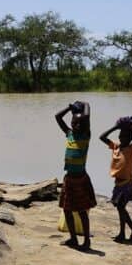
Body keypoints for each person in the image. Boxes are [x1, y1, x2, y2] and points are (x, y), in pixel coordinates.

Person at [55, 101, 96, 250]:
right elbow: (58, 117)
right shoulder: (70, 134)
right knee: (66, 209)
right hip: (69, 178)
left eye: (79, 123)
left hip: (80, 178)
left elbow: (87, 115)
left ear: (85, 125)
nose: (76, 125)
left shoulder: (86, 135)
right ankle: (73, 238)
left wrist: (85, 104)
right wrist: (69, 108)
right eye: (74, 122)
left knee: (81, 210)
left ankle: (86, 241)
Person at [100, 115, 132, 242]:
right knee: (120, 208)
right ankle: (127, 231)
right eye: (121, 136)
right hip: (118, 184)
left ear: (131, 138)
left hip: (128, 184)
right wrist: (115, 127)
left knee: (121, 207)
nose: (122, 138)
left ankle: (129, 231)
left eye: (126, 136)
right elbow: (102, 137)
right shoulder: (115, 147)